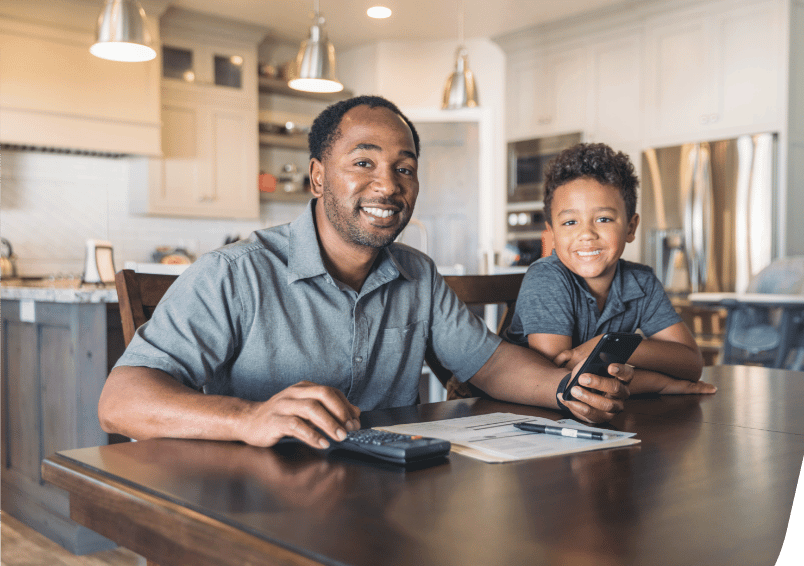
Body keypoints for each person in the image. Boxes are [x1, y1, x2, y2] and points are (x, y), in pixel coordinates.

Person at [98, 96, 638, 454]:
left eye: (404, 168)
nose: (388, 185)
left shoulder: (417, 275)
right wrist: (247, 418)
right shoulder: (233, 274)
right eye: (364, 163)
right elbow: (119, 402)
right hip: (252, 518)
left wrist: (568, 390)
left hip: (382, 507)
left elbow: (491, 363)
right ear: (317, 177)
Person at [505, 142, 716, 395]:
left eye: (603, 219)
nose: (586, 234)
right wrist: (661, 383)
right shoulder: (546, 279)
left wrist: (605, 347)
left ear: (630, 227)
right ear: (551, 233)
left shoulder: (640, 282)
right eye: (570, 222)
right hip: (518, 414)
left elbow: (691, 364)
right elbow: (561, 382)